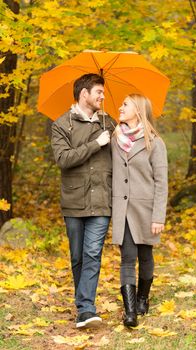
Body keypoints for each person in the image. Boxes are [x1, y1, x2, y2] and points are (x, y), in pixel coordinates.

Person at [51, 73, 116, 329]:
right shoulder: (61, 124)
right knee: (77, 256)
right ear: (84, 94)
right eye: (98, 91)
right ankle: (83, 305)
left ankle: (86, 309)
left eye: (102, 92)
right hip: (74, 200)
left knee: (92, 253)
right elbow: (63, 159)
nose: (102, 96)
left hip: (102, 200)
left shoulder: (108, 122)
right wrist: (95, 143)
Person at [111, 94, 168, 327]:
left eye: (125, 104)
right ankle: (130, 311)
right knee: (127, 257)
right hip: (122, 209)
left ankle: (143, 297)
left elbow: (161, 182)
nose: (120, 108)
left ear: (138, 109)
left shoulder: (155, 142)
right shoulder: (114, 138)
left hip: (146, 209)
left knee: (145, 256)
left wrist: (158, 216)